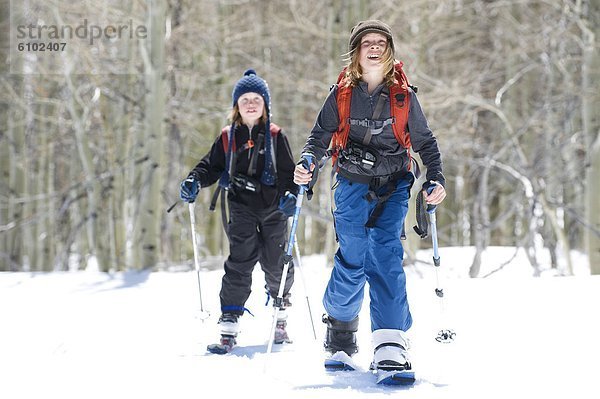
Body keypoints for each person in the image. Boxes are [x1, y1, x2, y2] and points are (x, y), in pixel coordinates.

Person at [294, 20, 447, 373]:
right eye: (367, 43)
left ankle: (390, 340)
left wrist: (435, 179)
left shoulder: (405, 98)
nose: (374, 47)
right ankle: (341, 333)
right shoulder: (342, 95)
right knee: (353, 256)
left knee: (385, 252)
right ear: (357, 52)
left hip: (394, 184)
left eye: (381, 42)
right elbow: (320, 137)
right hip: (350, 183)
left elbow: (426, 144)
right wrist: (307, 162)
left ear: (389, 49)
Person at [180, 69, 298, 351]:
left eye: (256, 98)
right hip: (241, 206)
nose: (250, 103)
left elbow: (290, 174)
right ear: (236, 105)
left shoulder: (275, 135)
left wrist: (292, 196)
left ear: (265, 104)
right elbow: (210, 166)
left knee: (275, 261)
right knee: (240, 261)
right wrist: (194, 180)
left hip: (273, 208)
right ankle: (230, 319)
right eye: (244, 98)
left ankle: (280, 311)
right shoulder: (227, 137)